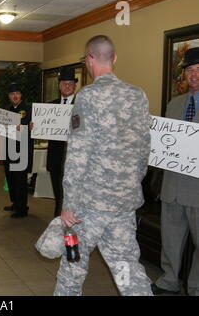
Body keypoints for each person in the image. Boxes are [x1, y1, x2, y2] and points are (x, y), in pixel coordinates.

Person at [54, 35, 153, 296]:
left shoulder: (87, 97)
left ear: (88, 59)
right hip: (124, 203)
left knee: (73, 267)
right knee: (127, 269)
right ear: (114, 58)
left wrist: (68, 204)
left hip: (90, 206)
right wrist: (129, 184)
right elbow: (144, 150)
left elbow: (77, 155)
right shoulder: (138, 95)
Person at [152, 47, 199, 296]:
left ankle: (196, 286)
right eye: (190, 70)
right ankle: (169, 280)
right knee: (170, 239)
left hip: (198, 189)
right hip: (172, 186)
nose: (194, 75)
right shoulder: (174, 104)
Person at [46, 66, 78, 218]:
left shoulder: (81, 106)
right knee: (58, 191)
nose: (67, 86)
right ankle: (58, 219)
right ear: (59, 85)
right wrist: (35, 126)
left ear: (75, 86)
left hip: (73, 158)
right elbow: (41, 128)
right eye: (64, 83)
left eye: (70, 83)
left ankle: (63, 220)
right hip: (55, 157)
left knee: (70, 193)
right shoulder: (50, 106)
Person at [3, 83, 34, 218]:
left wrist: (23, 127)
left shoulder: (29, 109)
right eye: (12, 94)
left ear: (21, 95)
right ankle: (15, 202)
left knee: (20, 180)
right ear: (9, 96)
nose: (15, 96)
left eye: (17, 93)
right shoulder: (6, 110)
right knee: (11, 178)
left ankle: (22, 208)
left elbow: (33, 128)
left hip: (22, 150)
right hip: (8, 149)